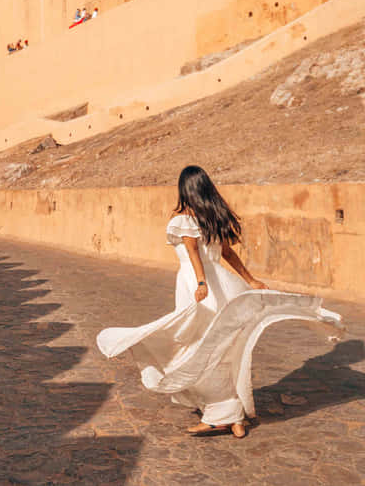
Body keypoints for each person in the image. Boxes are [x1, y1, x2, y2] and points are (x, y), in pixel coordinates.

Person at [97, 165, 343, 438]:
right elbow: (228, 254)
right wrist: (249, 280)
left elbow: (194, 254)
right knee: (220, 347)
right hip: (222, 285)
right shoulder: (213, 218)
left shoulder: (183, 219)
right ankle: (232, 414)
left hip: (196, 286)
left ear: (185, 189)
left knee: (197, 346)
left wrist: (201, 283)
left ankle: (221, 415)